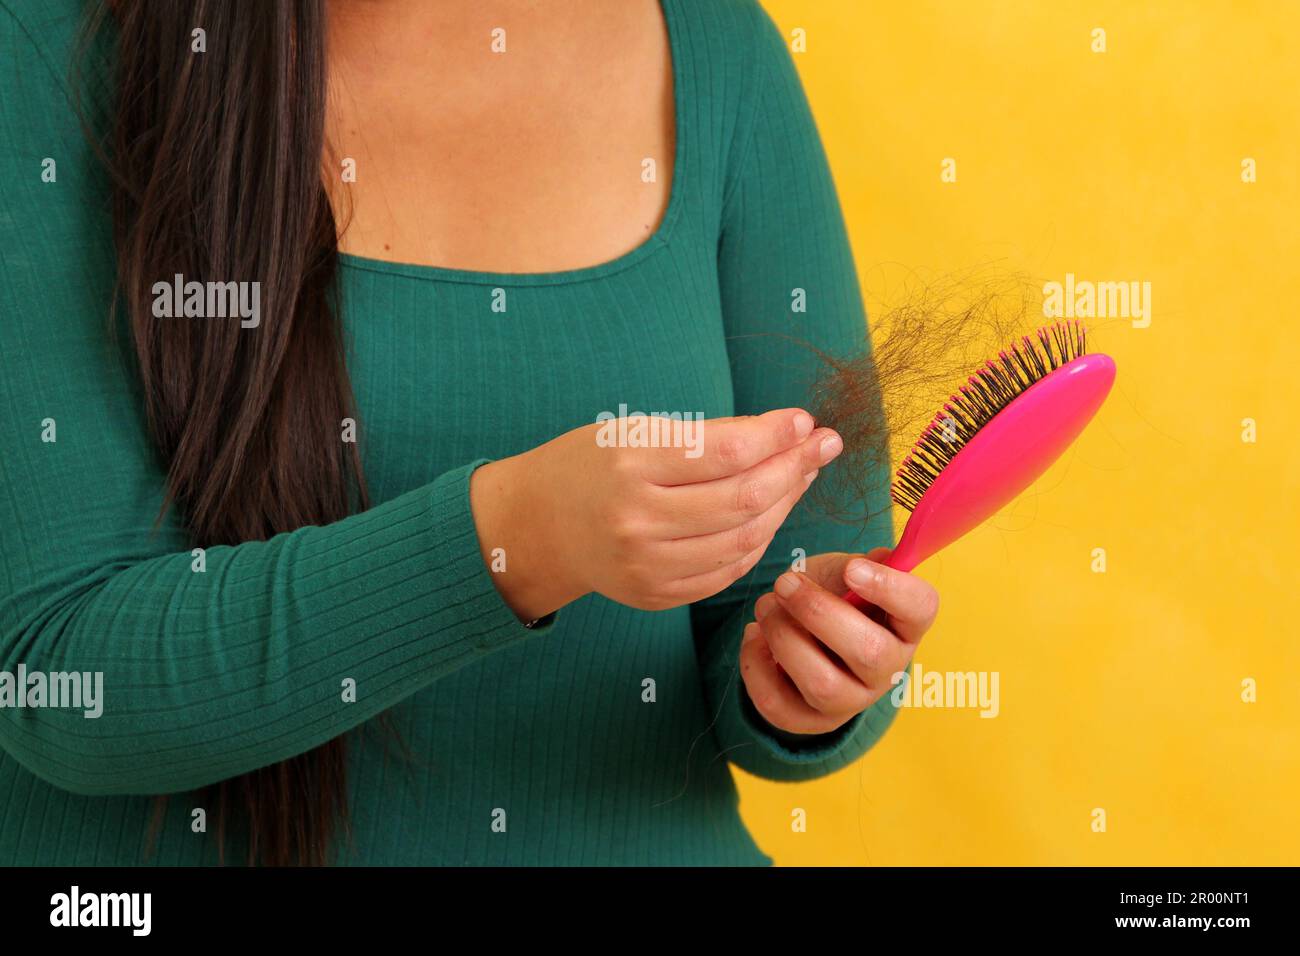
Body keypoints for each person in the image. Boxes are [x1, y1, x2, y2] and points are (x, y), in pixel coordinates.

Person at [0, 0, 938, 865]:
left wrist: (809, 677)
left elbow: (792, 608)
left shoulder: (716, 45)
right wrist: (520, 537)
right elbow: (60, 673)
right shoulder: (47, 44)